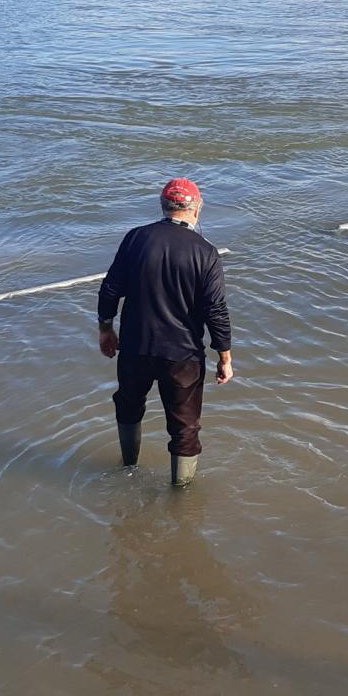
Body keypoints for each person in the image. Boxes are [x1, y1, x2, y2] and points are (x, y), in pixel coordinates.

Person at [97, 178, 233, 486]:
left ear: (164, 206)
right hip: (182, 355)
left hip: (135, 347)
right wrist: (224, 355)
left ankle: (127, 466)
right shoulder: (206, 252)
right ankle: (180, 493)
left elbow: (109, 290)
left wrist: (106, 329)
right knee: (184, 427)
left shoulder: (136, 239)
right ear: (197, 210)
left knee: (129, 404)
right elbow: (216, 310)